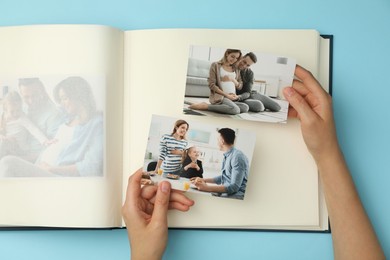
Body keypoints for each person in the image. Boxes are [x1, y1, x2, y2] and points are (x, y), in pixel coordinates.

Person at [122, 65, 385, 260]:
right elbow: (223, 180)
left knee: (244, 108)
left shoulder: (233, 156)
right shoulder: (225, 156)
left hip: (188, 172)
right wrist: (202, 180)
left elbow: (231, 186)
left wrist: (200, 181)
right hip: (173, 171)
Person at [0, 76, 104, 177]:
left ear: (79, 96)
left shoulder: (96, 124)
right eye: (61, 99)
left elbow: (91, 166)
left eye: (65, 98)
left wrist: (52, 169)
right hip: (38, 165)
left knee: (7, 163)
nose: (62, 103)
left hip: (53, 172)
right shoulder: (67, 117)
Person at [192, 128, 248, 200]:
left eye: (217, 140)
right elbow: (224, 177)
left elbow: (234, 187)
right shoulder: (228, 155)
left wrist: (207, 188)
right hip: (227, 195)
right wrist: (204, 180)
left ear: (222, 141)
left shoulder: (237, 157)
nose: (217, 143)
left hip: (235, 197)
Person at [189, 49, 250, 115]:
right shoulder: (216, 65)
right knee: (235, 110)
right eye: (232, 56)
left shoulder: (236, 68)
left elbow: (240, 86)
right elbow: (212, 85)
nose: (234, 60)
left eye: (236, 58)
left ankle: (222, 106)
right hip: (222, 97)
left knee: (245, 107)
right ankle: (206, 106)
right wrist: (226, 95)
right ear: (227, 54)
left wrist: (233, 80)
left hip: (232, 97)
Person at [18, 78, 65, 160]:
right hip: (18, 151)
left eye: (34, 95)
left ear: (42, 91)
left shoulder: (54, 114)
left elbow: (52, 150)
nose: (31, 101)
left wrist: (21, 158)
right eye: (26, 97)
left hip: (36, 160)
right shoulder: (19, 109)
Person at [0, 91, 49, 159]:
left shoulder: (22, 118)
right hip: (8, 146)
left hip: (20, 149)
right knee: (3, 142)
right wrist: (4, 137)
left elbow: (33, 129)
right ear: (5, 110)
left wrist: (45, 141)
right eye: (12, 111)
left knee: (3, 143)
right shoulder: (3, 117)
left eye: (18, 110)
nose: (16, 114)